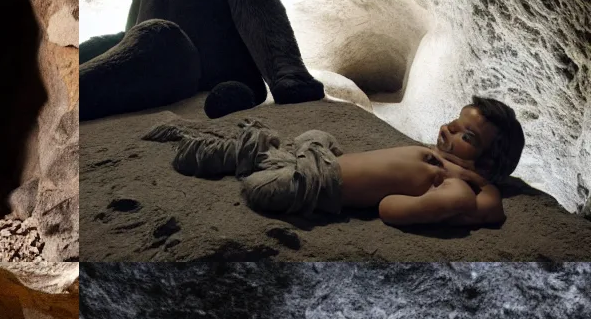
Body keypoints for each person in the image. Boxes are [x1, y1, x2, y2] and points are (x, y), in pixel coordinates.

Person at [148, 97, 524, 227]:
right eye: (456, 123)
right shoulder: (439, 162)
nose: (450, 131)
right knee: (317, 137)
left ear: (486, 165)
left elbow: (390, 208)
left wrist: (474, 187)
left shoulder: (453, 187)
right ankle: (224, 146)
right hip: (322, 160)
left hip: (312, 185)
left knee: (256, 174)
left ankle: (192, 149)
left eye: (466, 137)